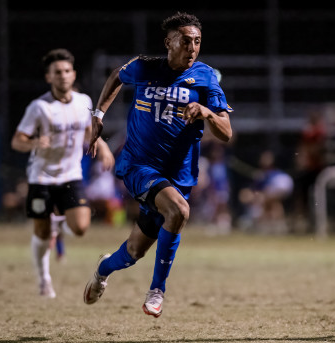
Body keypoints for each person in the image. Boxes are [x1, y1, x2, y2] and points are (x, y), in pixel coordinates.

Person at [83, 12, 233, 318]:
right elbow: (116, 76)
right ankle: (157, 290)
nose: (192, 47)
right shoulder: (145, 67)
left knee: (134, 252)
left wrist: (205, 112)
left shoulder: (205, 78)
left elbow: (226, 132)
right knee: (179, 211)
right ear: (169, 41)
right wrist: (98, 116)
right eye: (186, 40)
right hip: (139, 167)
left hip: (178, 175)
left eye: (197, 41)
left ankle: (102, 269)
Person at [11, 48, 115, 298]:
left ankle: (59, 230)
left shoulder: (84, 102)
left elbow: (90, 130)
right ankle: (44, 279)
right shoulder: (39, 107)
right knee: (41, 232)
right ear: (49, 77)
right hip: (42, 176)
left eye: (67, 71)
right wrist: (34, 143)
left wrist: (102, 145)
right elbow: (17, 141)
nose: (63, 76)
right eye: (57, 72)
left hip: (71, 174)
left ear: (73, 74)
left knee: (80, 227)